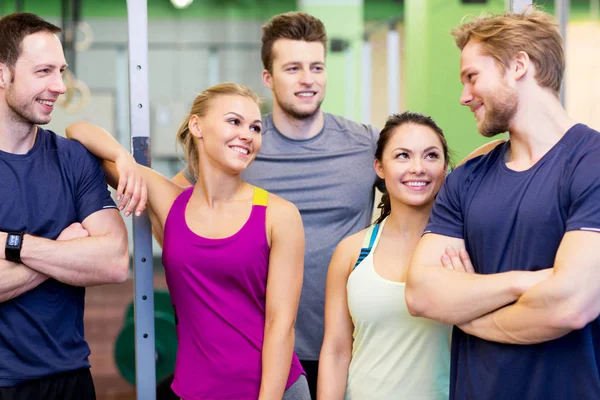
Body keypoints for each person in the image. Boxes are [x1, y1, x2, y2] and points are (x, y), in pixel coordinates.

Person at [170, 12, 381, 398]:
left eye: (317, 67)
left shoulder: (365, 144)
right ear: (268, 78)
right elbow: (175, 208)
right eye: (293, 68)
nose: (307, 79)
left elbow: (425, 178)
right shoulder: (243, 145)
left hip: (348, 346)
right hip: (265, 350)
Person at [66, 83, 310, 400]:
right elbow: (77, 131)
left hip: (275, 391)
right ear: (197, 126)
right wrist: (122, 159)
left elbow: (281, 326)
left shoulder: (279, 216)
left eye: (255, 127)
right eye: (234, 122)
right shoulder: (169, 202)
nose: (247, 135)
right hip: (195, 390)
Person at [405, 8, 600, 400]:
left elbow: (570, 305)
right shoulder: (467, 177)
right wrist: (524, 282)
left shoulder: (591, 162)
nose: (463, 97)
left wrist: (468, 313)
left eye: (472, 77)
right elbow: (421, 294)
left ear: (518, 66)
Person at [0, 12, 129, 399]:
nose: (59, 86)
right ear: (2, 74)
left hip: (69, 376)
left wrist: (17, 246)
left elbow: (115, 260)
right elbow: (91, 255)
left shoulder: (73, 159)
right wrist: (66, 247)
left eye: (61, 71)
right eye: (43, 71)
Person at [318, 112, 452, 399]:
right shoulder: (352, 251)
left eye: (431, 156)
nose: (418, 168)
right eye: (403, 155)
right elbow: (337, 351)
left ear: (445, 168)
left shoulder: (462, 251)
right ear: (379, 167)